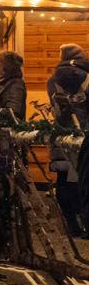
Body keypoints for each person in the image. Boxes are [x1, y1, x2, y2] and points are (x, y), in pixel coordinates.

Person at [48, 44, 89, 236]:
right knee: (83, 179)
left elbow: (56, 109)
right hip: (85, 135)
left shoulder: (54, 80)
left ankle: (72, 224)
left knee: (64, 181)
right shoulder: (87, 76)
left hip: (64, 134)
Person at [0, 51, 27, 120]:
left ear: (5, 67)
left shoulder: (15, 85)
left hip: (6, 130)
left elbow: (13, 115)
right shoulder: (1, 84)